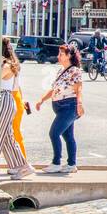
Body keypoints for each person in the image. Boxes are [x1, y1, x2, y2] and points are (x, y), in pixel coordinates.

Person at [36, 43, 84, 174]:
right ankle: (71, 164)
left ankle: (56, 162)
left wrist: (79, 104)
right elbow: (54, 89)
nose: (58, 56)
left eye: (61, 54)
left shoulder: (75, 70)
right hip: (61, 107)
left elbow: (79, 88)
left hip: (69, 106)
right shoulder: (60, 70)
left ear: (69, 56)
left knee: (54, 133)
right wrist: (41, 100)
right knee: (68, 136)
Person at [0, 40, 32, 180]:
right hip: (7, 99)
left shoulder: (6, 65)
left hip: (3, 98)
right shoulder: (10, 64)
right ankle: (22, 166)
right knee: (6, 137)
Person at [3, 36, 29, 162]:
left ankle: (23, 162)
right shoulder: (13, 63)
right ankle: (21, 163)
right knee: (11, 134)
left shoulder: (7, 65)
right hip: (16, 99)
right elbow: (18, 86)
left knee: (14, 134)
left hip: (10, 99)